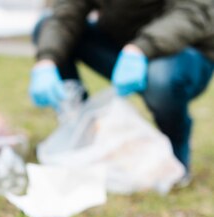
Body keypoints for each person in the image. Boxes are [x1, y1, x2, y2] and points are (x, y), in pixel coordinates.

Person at [29, 0, 214, 180]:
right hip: (122, 47)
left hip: (185, 51)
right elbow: (67, 12)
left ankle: (174, 147)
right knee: (48, 28)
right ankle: (84, 131)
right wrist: (47, 60)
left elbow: (191, 13)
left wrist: (140, 48)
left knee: (161, 80)